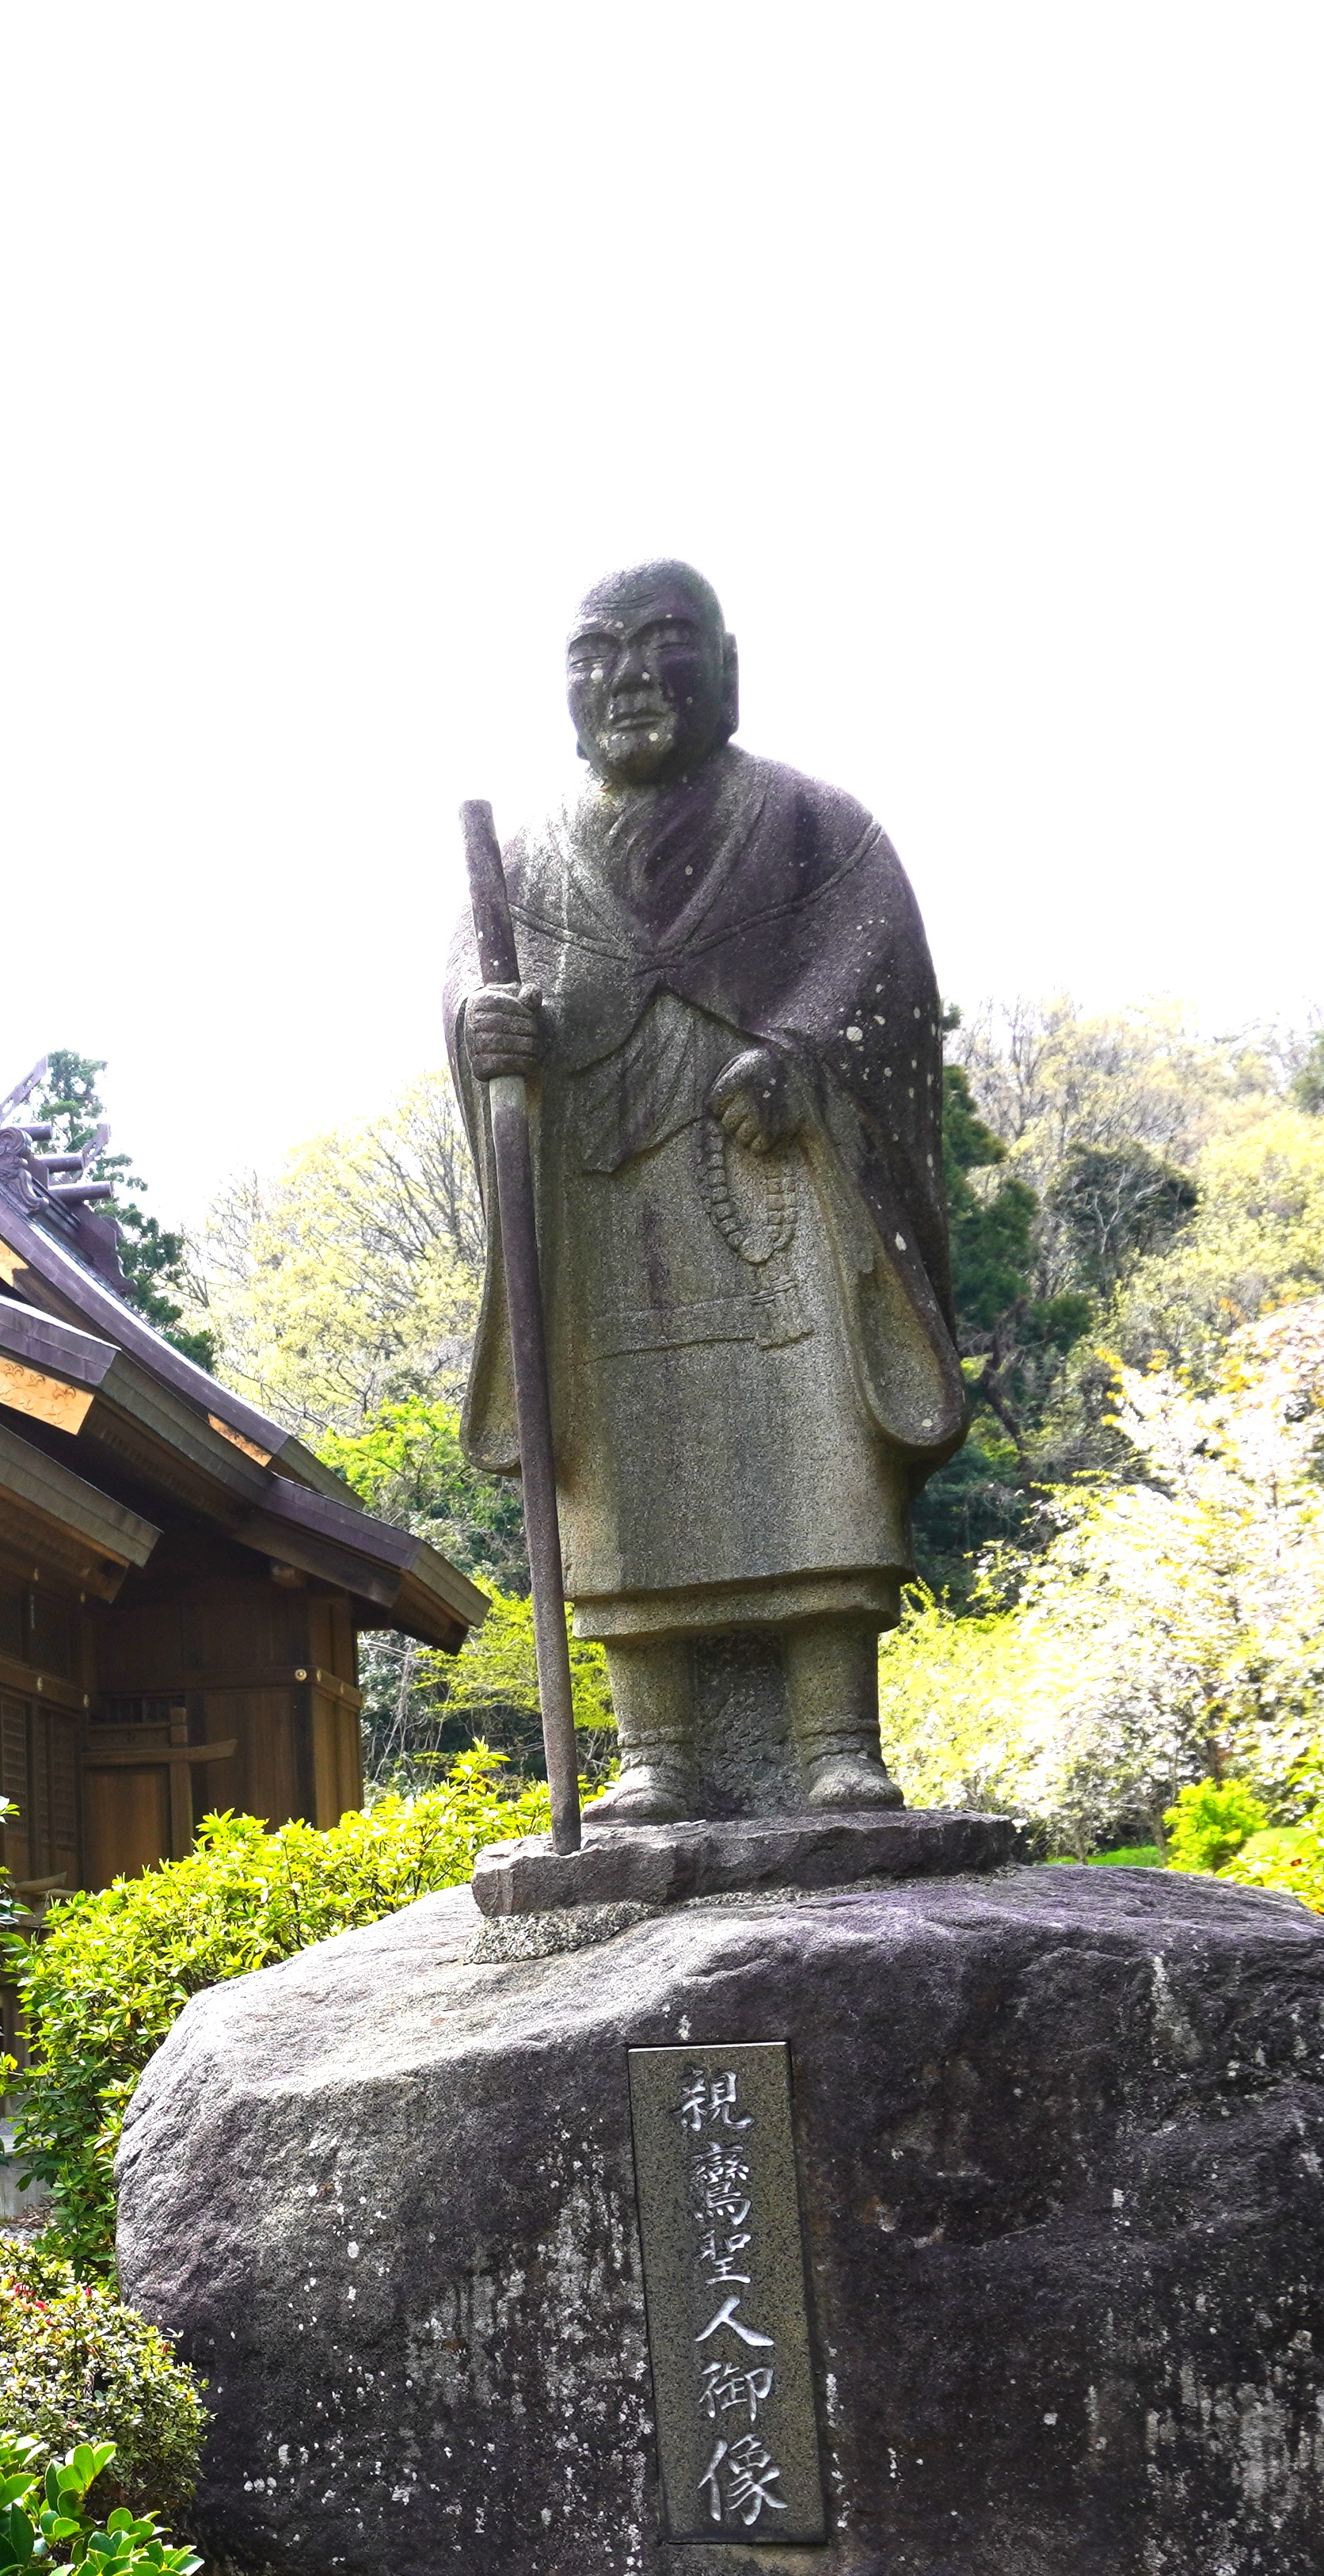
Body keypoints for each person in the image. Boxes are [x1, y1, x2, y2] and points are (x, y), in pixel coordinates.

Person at [447, 561, 968, 1823]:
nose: (627, 674)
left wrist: (802, 1062)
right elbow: (470, 1004)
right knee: (623, 1459)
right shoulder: (517, 867)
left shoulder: (815, 830)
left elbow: (881, 990)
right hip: (606, 1211)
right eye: (595, 652)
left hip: (777, 1191)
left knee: (813, 1434)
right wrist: (489, 1032)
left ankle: (835, 1736)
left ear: (727, 668)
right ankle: (654, 1751)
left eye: (662, 642)